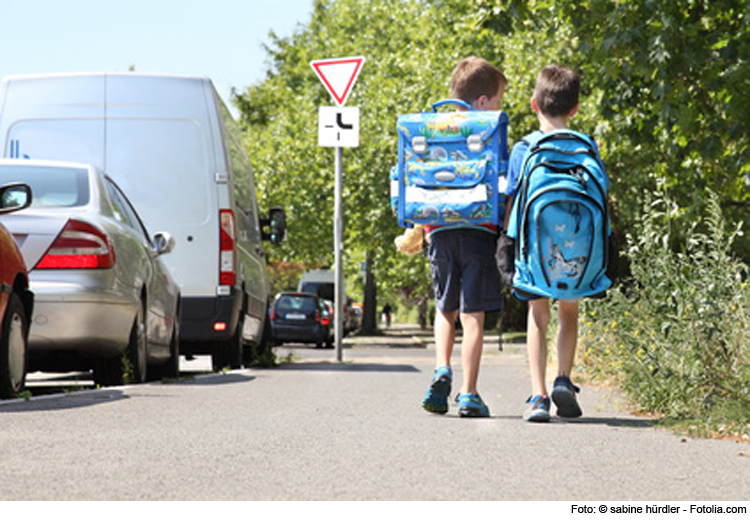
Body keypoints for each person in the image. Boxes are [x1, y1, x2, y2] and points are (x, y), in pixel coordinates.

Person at [504, 64, 606, 422]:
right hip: (577, 252)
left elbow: (512, 200)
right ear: (575, 108)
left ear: (534, 104)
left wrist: (505, 243)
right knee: (569, 312)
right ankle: (563, 377)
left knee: (538, 315)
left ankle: (539, 394)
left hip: (535, 251)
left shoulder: (524, 149)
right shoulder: (587, 146)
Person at [421, 57, 507, 418]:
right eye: (499, 99)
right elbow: (502, 180)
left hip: (438, 230)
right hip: (478, 231)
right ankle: (469, 393)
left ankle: (442, 368)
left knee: (445, 308)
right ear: (483, 102)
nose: (500, 106)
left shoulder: (431, 127)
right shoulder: (488, 129)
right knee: (473, 315)